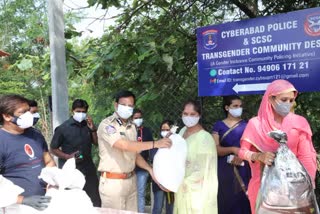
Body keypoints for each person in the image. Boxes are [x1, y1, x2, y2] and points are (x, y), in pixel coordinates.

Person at [238, 79, 317, 214]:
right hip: (262, 188)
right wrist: (258, 156)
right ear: (271, 99)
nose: (288, 104)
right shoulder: (255, 124)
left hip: (294, 189)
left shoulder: (299, 123)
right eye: (284, 100)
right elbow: (242, 152)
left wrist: (308, 186)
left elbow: (306, 157)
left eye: (291, 100)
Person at [97, 90, 172, 211]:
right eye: (123, 105)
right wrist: (155, 144)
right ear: (116, 105)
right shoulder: (107, 125)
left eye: (130, 105)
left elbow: (135, 153)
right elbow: (123, 145)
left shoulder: (132, 127)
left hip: (131, 181)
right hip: (113, 184)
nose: (127, 108)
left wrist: (150, 170)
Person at [0, 94, 55, 210]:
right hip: (15, 207)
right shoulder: (2, 141)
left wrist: (52, 183)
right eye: (23, 112)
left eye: (28, 111)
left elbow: (49, 161)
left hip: (44, 203)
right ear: (7, 116)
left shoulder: (35, 135)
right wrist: (22, 200)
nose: (29, 115)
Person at [50, 99, 101, 207]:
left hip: (88, 168)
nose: (81, 114)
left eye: (83, 112)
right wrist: (67, 156)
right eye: (78, 111)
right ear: (72, 110)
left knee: (94, 199)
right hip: (70, 169)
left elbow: (96, 143)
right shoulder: (63, 128)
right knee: (72, 201)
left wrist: (93, 129)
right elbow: (53, 148)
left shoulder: (88, 125)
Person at [174, 100, 218, 214]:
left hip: (197, 194)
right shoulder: (182, 132)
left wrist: (177, 182)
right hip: (180, 189)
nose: (188, 117)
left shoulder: (205, 138)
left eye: (192, 114)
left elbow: (201, 172)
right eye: (185, 114)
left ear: (199, 115)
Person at [212, 95, 251, 214]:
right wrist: (233, 149)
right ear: (227, 107)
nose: (239, 108)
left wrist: (241, 155)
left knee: (243, 200)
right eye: (235, 106)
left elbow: (251, 148)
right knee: (226, 201)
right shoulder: (218, 125)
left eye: (240, 106)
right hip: (225, 169)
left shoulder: (248, 125)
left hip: (243, 166)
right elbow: (216, 149)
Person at [150, 119, 175, 214]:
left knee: (171, 207)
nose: (165, 131)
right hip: (158, 182)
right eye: (163, 129)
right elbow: (152, 158)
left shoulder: (176, 145)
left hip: (171, 181)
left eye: (167, 129)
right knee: (158, 207)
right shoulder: (156, 144)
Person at [132, 109, 154, 213]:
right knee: (130, 193)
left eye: (139, 117)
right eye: (135, 118)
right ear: (131, 119)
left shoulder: (147, 131)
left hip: (143, 167)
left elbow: (151, 147)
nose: (138, 119)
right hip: (130, 167)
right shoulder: (128, 130)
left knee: (140, 193)